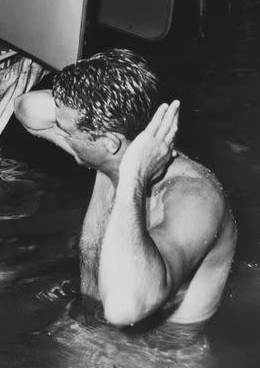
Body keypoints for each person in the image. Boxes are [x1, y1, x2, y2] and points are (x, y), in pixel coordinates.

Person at [14, 49, 236, 326]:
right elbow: (25, 109)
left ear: (109, 143)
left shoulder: (195, 198)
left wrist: (134, 174)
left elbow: (124, 309)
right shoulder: (109, 158)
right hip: (90, 334)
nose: (62, 136)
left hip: (155, 361)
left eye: (66, 132)